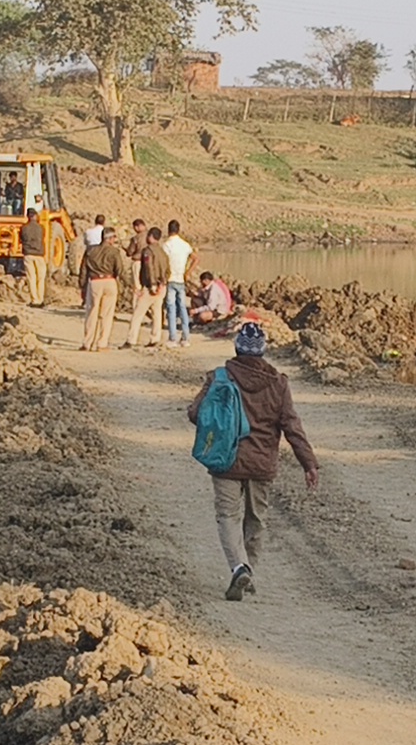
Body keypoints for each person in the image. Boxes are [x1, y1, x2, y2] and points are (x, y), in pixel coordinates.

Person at [187, 322, 319, 600]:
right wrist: (308, 463)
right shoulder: (279, 384)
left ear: (236, 347)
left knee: (227, 516)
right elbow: (292, 426)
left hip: (225, 460)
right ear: (263, 351)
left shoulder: (218, 377)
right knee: (256, 519)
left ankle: (238, 567)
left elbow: (196, 413)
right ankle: (249, 570)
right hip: (261, 464)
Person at [123, 226, 167, 349]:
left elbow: (149, 268)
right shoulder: (162, 252)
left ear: (151, 237)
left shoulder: (148, 251)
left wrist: (152, 285)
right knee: (157, 314)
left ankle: (131, 340)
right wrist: (162, 283)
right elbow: (167, 270)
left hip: (150, 287)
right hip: (162, 287)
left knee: (138, 313)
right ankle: (155, 338)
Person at [80, 226, 122, 351]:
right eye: (114, 237)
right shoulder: (114, 252)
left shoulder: (91, 251)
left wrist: (82, 286)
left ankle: (87, 343)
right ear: (109, 238)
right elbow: (119, 269)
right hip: (109, 281)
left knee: (91, 313)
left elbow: (83, 270)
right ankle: (102, 343)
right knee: (106, 315)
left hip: (94, 282)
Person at [161, 220, 196, 346]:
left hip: (170, 279)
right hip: (181, 279)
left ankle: (173, 337)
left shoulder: (167, 245)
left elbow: (163, 262)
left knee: (171, 308)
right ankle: (186, 337)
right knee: (182, 308)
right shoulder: (185, 245)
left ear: (168, 230)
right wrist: (188, 272)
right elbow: (196, 258)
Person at [20, 208, 50, 307]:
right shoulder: (41, 228)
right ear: (36, 216)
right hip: (39, 255)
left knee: (31, 278)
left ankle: (34, 300)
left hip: (28, 255)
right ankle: (40, 299)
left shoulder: (24, 228)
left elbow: (21, 239)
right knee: (40, 278)